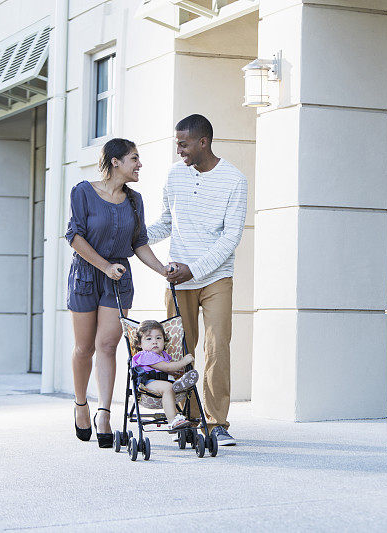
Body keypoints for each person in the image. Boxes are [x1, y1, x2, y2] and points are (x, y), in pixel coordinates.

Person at [147, 114, 247, 446]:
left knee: (217, 347)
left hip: (216, 276)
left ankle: (216, 423)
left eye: (183, 143)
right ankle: (188, 420)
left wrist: (196, 268)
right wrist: (132, 238)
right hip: (179, 279)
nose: (179, 150)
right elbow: (165, 222)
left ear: (202, 142)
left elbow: (231, 238)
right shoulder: (175, 175)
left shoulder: (235, 180)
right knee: (180, 350)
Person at [67, 138, 172, 448]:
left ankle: (103, 414)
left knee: (108, 344)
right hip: (87, 275)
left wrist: (162, 269)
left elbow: (139, 242)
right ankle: (80, 405)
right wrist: (103, 266)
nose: (139, 165)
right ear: (115, 161)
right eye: (134, 159)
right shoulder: (83, 192)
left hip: (118, 279)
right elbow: (74, 236)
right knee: (84, 348)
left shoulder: (135, 201)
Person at [131, 320, 198, 431]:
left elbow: (167, 369)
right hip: (148, 383)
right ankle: (172, 420)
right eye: (149, 339)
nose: (155, 342)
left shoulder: (164, 355)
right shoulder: (145, 355)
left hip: (164, 381)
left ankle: (179, 385)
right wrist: (184, 362)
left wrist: (174, 372)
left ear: (164, 340)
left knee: (169, 385)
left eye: (158, 338)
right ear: (139, 344)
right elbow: (167, 367)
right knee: (168, 387)